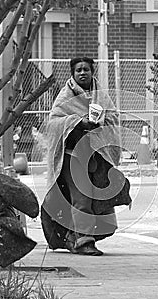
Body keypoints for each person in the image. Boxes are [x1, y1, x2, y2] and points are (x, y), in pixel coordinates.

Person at [41, 56, 122, 256]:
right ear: (72, 73)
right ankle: (84, 241)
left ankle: (71, 236)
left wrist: (101, 120)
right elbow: (53, 123)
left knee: (97, 199)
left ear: (92, 72)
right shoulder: (65, 97)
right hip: (71, 156)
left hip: (96, 157)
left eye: (86, 69)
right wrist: (77, 123)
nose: (83, 73)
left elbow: (113, 117)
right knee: (82, 197)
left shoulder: (101, 96)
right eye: (78, 70)